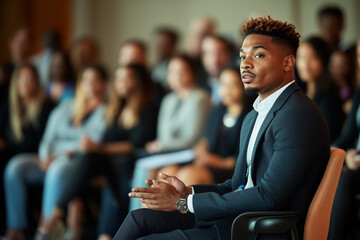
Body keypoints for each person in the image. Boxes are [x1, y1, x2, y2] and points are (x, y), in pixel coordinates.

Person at [114, 16, 331, 240]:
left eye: (258, 55)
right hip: (234, 218)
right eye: (242, 56)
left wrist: (183, 203)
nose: (245, 63)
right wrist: (187, 192)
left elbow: (268, 197)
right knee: (138, 218)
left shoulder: (298, 114)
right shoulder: (254, 115)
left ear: (288, 63)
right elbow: (236, 185)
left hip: (259, 229)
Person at [40, 64, 158, 240]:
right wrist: (95, 147)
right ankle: (57, 216)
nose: (121, 83)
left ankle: (100, 234)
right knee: (87, 157)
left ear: (137, 82)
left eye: (126, 78)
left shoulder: (147, 108)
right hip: (108, 160)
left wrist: (99, 147)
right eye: (118, 78)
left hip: (128, 162)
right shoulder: (116, 107)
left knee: (112, 170)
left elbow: (134, 145)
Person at [3, 64, 108, 240]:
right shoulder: (67, 105)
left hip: (74, 161)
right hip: (48, 157)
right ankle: (16, 228)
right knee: (15, 167)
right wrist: (45, 156)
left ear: (103, 84)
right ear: (80, 83)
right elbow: (48, 136)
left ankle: (45, 229)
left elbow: (89, 144)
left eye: (95, 80)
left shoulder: (105, 111)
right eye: (86, 80)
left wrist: (58, 156)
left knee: (56, 169)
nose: (90, 84)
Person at [129, 54, 212, 210]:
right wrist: (162, 144)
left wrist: (161, 145)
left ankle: (140, 217)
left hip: (189, 153)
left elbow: (191, 138)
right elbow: (163, 133)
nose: (177, 76)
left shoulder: (201, 98)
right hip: (168, 153)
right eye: (173, 71)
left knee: (157, 172)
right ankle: (139, 216)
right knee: (145, 168)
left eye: (182, 71)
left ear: (192, 73)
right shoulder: (168, 100)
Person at [160, 66, 252, 186]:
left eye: (233, 84)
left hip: (229, 171)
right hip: (208, 164)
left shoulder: (250, 115)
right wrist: (201, 147)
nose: (227, 90)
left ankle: (179, 205)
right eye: (223, 84)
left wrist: (213, 161)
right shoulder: (218, 111)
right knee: (168, 171)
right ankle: (158, 205)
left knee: (188, 175)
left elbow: (241, 159)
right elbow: (206, 140)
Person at [0, 64, 54, 234]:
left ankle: (16, 229)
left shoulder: (46, 106)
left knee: (13, 166)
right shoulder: (8, 106)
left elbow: (41, 142)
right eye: (22, 79)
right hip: (10, 155)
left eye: (30, 79)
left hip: (35, 158)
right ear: (16, 82)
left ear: (37, 82)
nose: (26, 83)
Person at [296, 36, 345, 142]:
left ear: (323, 59)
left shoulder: (330, 97)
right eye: (301, 57)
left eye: (312, 57)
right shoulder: (300, 93)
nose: (305, 64)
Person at [198, 35, 231, 105]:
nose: (215, 59)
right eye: (209, 53)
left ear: (228, 54)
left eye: (220, 52)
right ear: (202, 57)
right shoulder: (197, 86)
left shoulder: (242, 85)